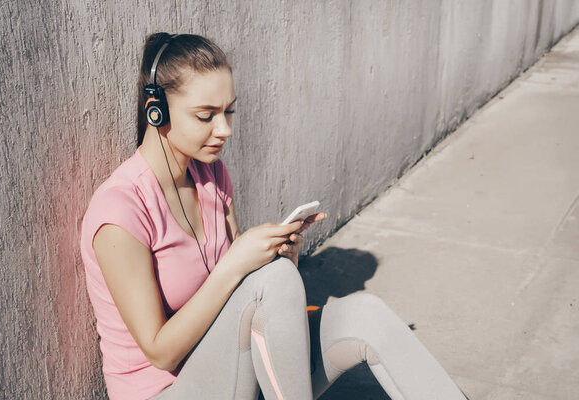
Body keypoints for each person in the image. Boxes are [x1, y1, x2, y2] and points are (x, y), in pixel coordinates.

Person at [80, 32, 468, 400]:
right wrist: (237, 266)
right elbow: (160, 352)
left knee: (364, 315)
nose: (225, 129)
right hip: (165, 391)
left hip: (230, 366)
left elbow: (243, 296)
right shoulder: (120, 211)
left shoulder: (211, 175)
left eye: (229, 111)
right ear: (156, 110)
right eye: (206, 115)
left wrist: (281, 256)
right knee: (272, 282)